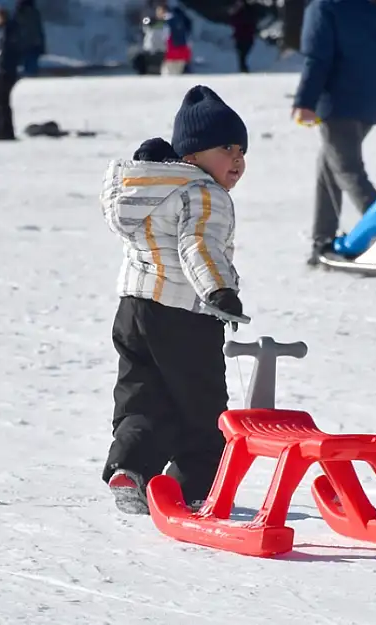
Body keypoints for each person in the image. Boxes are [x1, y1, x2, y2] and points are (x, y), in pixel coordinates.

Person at [99, 85, 248, 514]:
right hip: (184, 313)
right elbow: (198, 246)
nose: (237, 162)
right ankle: (193, 488)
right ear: (193, 155)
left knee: (142, 395)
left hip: (134, 309)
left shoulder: (150, 191)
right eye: (226, 149)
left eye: (242, 152)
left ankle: (129, 469)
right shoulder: (205, 193)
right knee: (202, 407)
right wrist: (221, 290)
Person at [291, 0, 376, 266]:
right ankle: (323, 241)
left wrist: (305, 101)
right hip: (367, 108)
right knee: (329, 167)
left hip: (336, 106)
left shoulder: (323, 9)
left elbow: (317, 58)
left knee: (347, 170)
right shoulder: (375, 13)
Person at [0, 7, 20, 141]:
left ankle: (5, 130)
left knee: (2, 102)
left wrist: (2, 66)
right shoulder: (4, 31)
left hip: (5, 71)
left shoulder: (7, 32)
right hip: (4, 70)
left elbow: (6, 52)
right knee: (0, 102)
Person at [159, 3, 192, 75]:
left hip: (171, 50)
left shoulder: (167, 21)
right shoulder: (179, 18)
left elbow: (165, 36)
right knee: (178, 72)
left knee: (168, 72)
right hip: (182, 50)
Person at [15, 0, 45, 77]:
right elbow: (39, 30)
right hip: (34, 44)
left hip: (24, 45)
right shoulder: (35, 13)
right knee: (31, 69)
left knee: (26, 69)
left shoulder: (19, 13)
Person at [228, 0, 257, 73]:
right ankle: (243, 68)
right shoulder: (239, 12)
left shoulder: (246, 11)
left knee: (243, 54)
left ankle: (244, 68)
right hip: (241, 36)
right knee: (241, 54)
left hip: (245, 36)